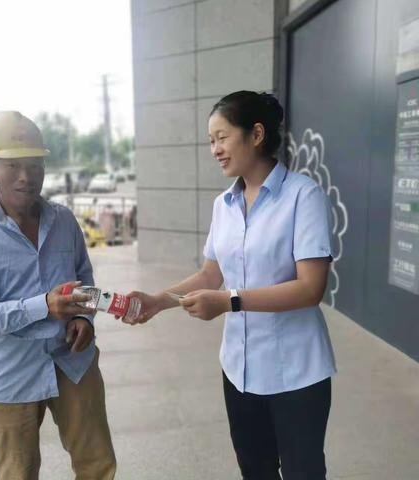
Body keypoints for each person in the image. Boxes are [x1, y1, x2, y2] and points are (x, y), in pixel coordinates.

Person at [123, 91, 336, 480]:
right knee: (255, 470)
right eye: (210, 141)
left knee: (303, 471)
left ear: (255, 134)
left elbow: (310, 288)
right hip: (240, 369)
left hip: (297, 372)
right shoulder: (224, 204)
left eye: (221, 137)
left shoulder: (303, 196)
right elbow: (210, 275)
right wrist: (158, 300)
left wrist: (229, 302)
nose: (215, 149)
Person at [0, 111, 116, 480]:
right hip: (11, 374)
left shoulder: (64, 221)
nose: (27, 177)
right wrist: (42, 305)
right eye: (13, 166)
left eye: (35, 165)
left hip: (74, 364)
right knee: (17, 472)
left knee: (97, 465)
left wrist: (81, 318)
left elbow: (84, 280)